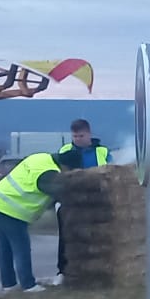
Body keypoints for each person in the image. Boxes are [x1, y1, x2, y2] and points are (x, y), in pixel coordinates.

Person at [0, 150, 70, 293]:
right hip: (10, 209)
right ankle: (28, 285)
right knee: (21, 247)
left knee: (5, 247)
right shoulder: (49, 174)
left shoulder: (41, 157)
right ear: (64, 165)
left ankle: (9, 284)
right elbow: (60, 193)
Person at [54, 120, 109, 280]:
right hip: (71, 202)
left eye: (81, 135)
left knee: (97, 236)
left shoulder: (103, 151)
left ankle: (98, 271)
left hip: (97, 201)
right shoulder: (65, 150)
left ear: (89, 134)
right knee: (66, 237)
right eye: (75, 136)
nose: (77, 139)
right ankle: (62, 272)